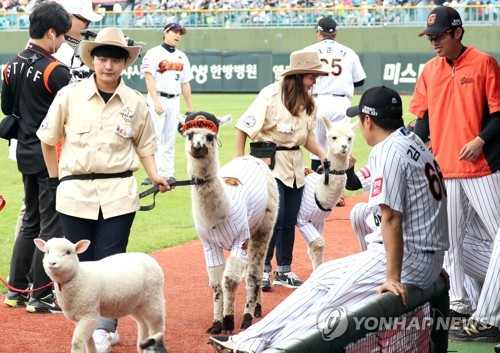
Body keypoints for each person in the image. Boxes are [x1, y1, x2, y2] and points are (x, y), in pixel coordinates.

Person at [208, 86, 449, 353]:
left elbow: (391, 216)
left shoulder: (388, 150)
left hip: (406, 260)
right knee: (323, 275)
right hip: (425, 256)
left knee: (331, 301)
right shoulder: (413, 141)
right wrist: (435, 259)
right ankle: (249, 341)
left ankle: (271, 350)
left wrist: (393, 277)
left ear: (368, 120)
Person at [37, 27, 171, 353]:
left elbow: (146, 145)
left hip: (119, 192)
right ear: (92, 59)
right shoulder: (69, 96)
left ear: (125, 63)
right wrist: (56, 180)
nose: (108, 65)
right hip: (74, 193)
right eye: (102, 58)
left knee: (112, 262)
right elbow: (47, 138)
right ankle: (89, 321)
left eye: (115, 59)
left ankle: (106, 328)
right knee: (79, 264)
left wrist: (154, 175)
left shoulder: (136, 103)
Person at [409, 5, 500, 341]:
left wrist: (480, 139)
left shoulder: (484, 62)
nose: (433, 41)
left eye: (439, 35)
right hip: (445, 169)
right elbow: (422, 122)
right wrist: (412, 156)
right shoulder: (430, 70)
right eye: (430, 36)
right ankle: (460, 305)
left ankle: (490, 313)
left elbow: (499, 115)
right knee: (450, 244)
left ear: (457, 32)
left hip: (483, 168)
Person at [235, 49, 331, 291]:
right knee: (272, 221)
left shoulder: (310, 103)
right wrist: (239, 163)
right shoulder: (269, 95)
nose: (314, 82)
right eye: (312, 76)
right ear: (299, 76)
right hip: (270, 164)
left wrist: (322, 155)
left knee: (290, 220)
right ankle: (263, 270)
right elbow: (243, 128)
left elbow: (307, 138)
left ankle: (284, 270)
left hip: (296, 166)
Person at [1, 1, 72, 313]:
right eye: (64, 36)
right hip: (51, 153)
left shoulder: (10, 64)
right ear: (52, 32)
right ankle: (40, 295)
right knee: (50, 224)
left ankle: (16, 290)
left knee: (30, 219)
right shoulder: (56, 70)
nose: (64, 43)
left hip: (24, 149)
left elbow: (6, 109)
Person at [303, 16, 366, 207]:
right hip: (341, 104)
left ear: (318, 32)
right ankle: (338, 194)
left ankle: (317, 193)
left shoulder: (308, 50)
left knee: (317, 150)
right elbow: (360, 81)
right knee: (340, 150)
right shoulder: (348, 52)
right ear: (336, 32)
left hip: (318, 101)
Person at [140, 22, 194, 185]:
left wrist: (190, 108)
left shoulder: (182, 56)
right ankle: (153, 174)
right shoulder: (154, 53)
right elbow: (149, 77)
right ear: (166, 33)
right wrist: (155, 102)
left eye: (180, 33)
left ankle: (168, 173)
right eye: (175, 32)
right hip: (158, 98)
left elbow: (185, 83)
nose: (178, 35)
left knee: (169, 138)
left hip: (174, 100)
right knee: (154, 137)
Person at [54, 0, 103, 80]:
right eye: (87, 22)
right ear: (68, 17)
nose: (87, 27)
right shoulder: (51, 46)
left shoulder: (55, 43)